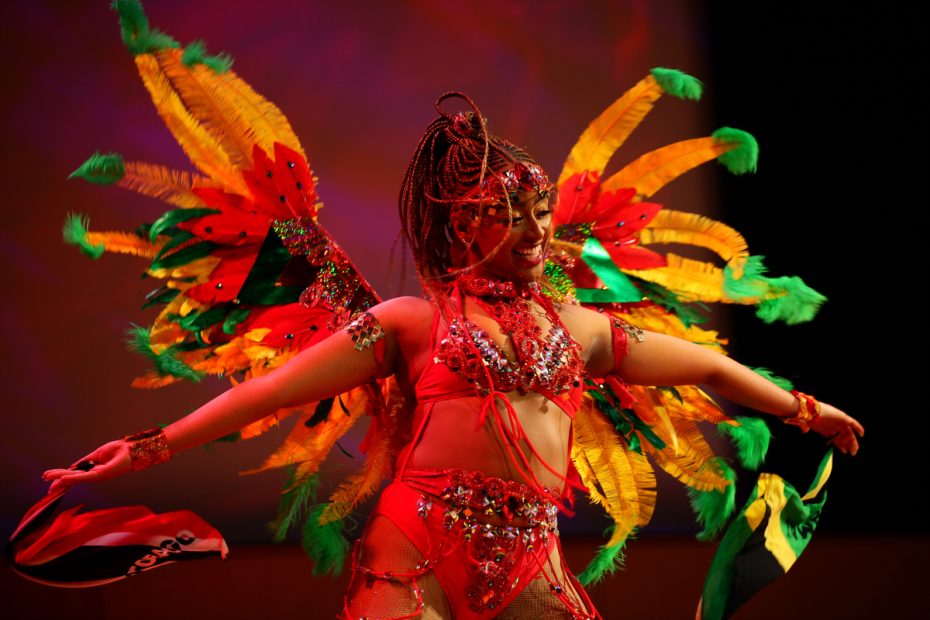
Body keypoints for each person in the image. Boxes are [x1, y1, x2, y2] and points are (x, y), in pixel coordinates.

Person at [40, 91, 864, 619]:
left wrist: (802, 408)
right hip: (415, 547)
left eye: (541, 210)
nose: (538, 229)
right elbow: (266, 392)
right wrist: (142, 451)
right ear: (465, 225)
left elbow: (706, 366)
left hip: (533, 554)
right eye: (514, 213)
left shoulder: (579, 328)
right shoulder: (410, 321)